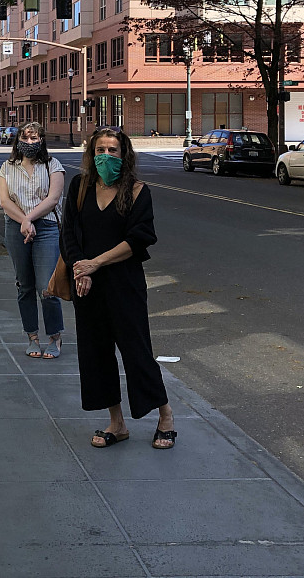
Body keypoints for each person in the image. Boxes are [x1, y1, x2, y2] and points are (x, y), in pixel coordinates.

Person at [60, 127, 177, 450]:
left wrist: (95, 263)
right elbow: (69, 232)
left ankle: (165, 416)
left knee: (136, 351)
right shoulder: (80, 186)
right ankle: (117, 423)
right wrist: (80, 267)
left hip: (124, 284)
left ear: (124, 154)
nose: (106, 157)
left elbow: (139, 239)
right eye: (100, 150)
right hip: (86, 284)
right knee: (96, 354)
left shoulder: (138, 192)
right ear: (91, 153)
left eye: (113, 150)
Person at [0, 122, 66, 359]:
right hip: (15, 227)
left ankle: (55, 337)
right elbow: (5, 202)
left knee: (46, 287)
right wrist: (24, 222)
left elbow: (54, 198)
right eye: (25, 139)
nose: (29, 143)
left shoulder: (52, 165)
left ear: (42, 140)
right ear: (18, 141)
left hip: (45, 227)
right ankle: (32, 337)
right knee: (24, 285)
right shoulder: (7, 167)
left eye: (34, 139)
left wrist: (30, 219)